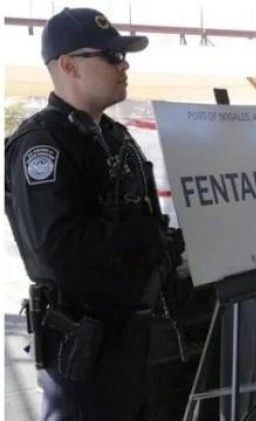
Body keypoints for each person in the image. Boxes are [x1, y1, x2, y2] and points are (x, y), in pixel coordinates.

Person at [5, 8, 182, 420]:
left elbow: (145, 216)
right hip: (83, 349)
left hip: (132, 339)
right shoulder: (42, 144)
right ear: (69, 65)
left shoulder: (115, 136)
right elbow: (57, 251)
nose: (124, 66)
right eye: (111, 55)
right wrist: (140, 237)